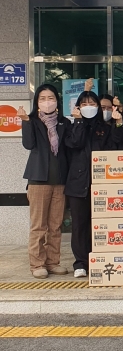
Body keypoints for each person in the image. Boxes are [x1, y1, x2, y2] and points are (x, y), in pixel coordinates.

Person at [18, 84, 71, 279]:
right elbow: (28, 144)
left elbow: (69, 148)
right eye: (42, 98)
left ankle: (53, 262)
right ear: (37, 102)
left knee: (55, 225)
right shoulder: (32, 121)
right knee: (39, 226)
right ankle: (37, 264)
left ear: (57, 101)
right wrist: (25, 122)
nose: (47, 102)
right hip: (38, 180)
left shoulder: (64, 123)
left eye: (51, 98)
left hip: (60, 181)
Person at [65, 91, 115, 278]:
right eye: (84, 104)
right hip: (78, 183)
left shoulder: (105, 128)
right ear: (78, 107)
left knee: (100, 223)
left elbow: (110, 151)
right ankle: (80, 263)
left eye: (92, 103)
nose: (89, 107)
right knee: (79, 224)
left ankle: (97, 258)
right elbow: (75, 144)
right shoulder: (72, 127)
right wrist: (78, 122)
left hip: (100, 183)